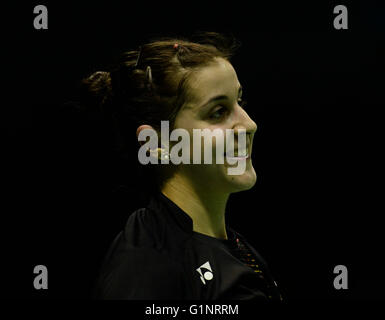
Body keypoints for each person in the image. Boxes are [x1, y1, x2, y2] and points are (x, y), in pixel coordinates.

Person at [82, 31, 282, 300]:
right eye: (218, 112)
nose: (248, 125)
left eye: (239, 101)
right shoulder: (149, 268)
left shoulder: (226, 245)